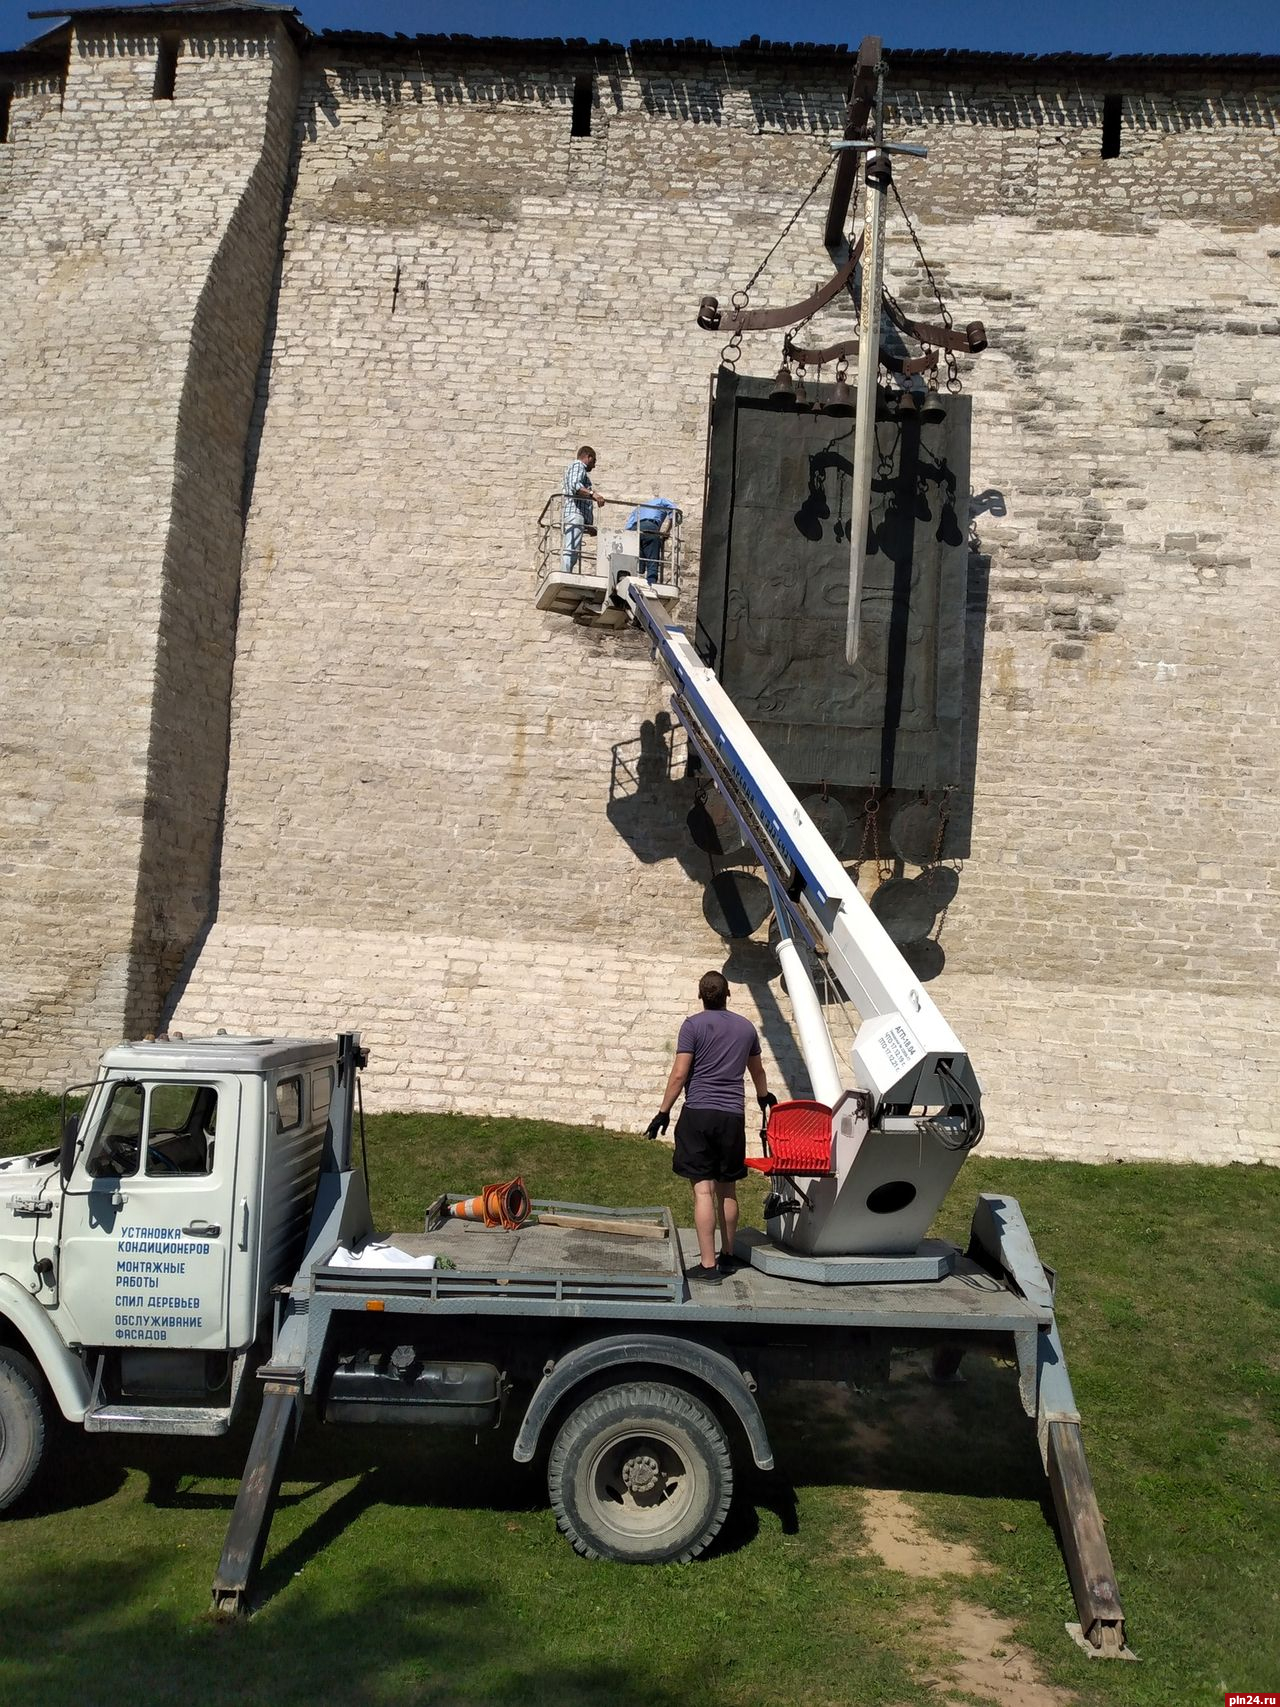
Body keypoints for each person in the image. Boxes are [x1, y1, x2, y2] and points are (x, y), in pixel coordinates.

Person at [645, 971, 775, 1283]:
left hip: (699, 1114)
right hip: (732, 1117)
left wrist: (663, 1112)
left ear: (701, 996)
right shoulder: (746, 1028)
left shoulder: (693, 1025)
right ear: (728, 994)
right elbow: (757, 1070)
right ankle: (728, 1256)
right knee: (727, 1189)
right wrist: (763, 1096)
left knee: (703, 1189)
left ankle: (707, 1266)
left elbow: (679, 1074)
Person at [561, 444, 607, 573]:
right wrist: (594, 494)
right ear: (589, 457)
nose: (594, 465)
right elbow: (575, 485)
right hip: (574, 514)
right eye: (594, 461)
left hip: (577, 515)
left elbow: (581, 502)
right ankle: (565, 574)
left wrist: (588, 525)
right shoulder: (578, 465)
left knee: (574, 549)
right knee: (571, 548)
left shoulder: (579, 470)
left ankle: (567, 572)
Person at [624, 496, 678, 583]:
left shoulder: (639, 507)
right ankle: (651, 581)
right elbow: (674, 510)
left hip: (634, 529)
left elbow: (628, 527)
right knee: (652, 557)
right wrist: (667, 531)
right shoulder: (661, 501)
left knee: (637, 558)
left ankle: (635, 578)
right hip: (650, 527)